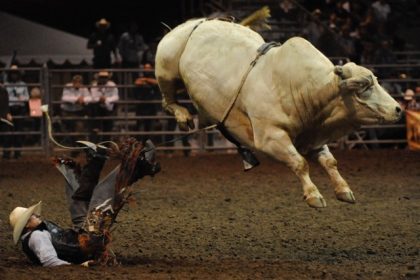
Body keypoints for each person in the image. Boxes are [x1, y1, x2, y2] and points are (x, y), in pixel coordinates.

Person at [9, 138, 160, 267]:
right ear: (27, 226)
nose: (36, 215)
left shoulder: (35, 235)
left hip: (81, 237)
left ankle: (96, 160)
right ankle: (139, 164)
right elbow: (50, 261)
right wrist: (81, 266)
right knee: (101, 195)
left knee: (78, 198)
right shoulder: (36, 237)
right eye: (32, 216)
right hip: (87, 244)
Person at [3, 65, 29, 159]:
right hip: (9, 110)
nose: (14, 75)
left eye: (15, 73)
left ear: (18, 74)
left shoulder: (23, 84)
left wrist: (22, 99)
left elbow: (27, 97)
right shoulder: (5, 85)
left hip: (20, 109)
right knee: (8, 132)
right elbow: (3, 98)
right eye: (12, 73)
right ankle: (6, 153)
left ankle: (17, 153)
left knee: (18, 132)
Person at [89, 71, 119, 141]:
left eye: (105, 77)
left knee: (107, 129)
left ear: (108, 78)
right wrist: (99, 99)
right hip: (96, 109)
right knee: (95, 129)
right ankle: (95, 145)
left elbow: (116, 97)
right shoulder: (94, 85)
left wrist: (106, 99)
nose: (103, 79)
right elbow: (92, 97)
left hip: (109, 109)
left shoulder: (112, 85)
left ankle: (105, 148)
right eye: (101, 77)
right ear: (98, 78)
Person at [134, 64, 159, 142]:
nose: (147, 70)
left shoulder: (154, 77)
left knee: (149, 127)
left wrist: (145, 80)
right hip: (141, 106)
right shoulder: (139, 77)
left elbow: (157, 82)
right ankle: (138, 145)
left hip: (151, 106)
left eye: (149, 68)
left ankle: (147, 145)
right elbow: (137, 82)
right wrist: (148, 81)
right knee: (138, 127)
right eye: (146, 68)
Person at [61, 75, 91, 139]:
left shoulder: (84, 88)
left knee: (80, 126)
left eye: (79, 82)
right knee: (71, 127)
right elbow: (64, 98)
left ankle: (78, 143)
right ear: (73, 82)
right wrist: (76, 99)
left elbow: (89, 98)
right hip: (67, 112)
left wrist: (83, 99)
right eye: (76, 82)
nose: (77, 83)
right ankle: (73, 142)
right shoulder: (68, 86)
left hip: (79, 112)